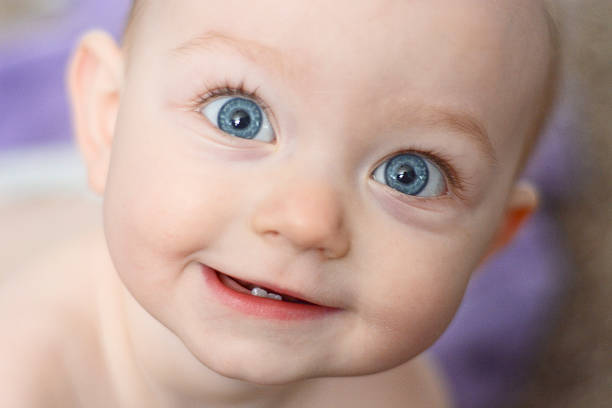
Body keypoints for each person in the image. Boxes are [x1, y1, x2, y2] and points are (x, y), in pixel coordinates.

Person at [0, 0, 559, 406]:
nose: (307, 221)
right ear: (108, 117)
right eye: (238, 117)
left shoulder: (397, 394)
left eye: (410, 175)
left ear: (490, 242)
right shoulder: (24, 366)